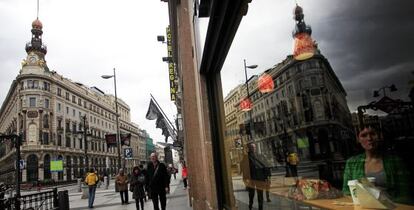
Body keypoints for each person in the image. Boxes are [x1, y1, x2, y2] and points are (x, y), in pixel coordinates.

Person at [342, 126, 412, 204]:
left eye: (373, 134)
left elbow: (405, 194)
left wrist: (388, 205)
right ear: (358, 139)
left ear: (380, 136)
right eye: (364, 135)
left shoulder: (394, 161)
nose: (369, 138)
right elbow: (346, 191)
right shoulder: (352, 163)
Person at [241, 143, 272, 210]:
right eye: (252, 147)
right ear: (249, 148)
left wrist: (268, 176)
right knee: (251, 194)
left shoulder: (260, 156)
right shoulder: (246, 157)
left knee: (260, 194)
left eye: (254, 147)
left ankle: (260, 208)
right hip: (251, 178)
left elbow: (266, 165)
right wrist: (245, 179)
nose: (254, 148)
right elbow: (244, 168)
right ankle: (250, 205)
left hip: (260, 178)